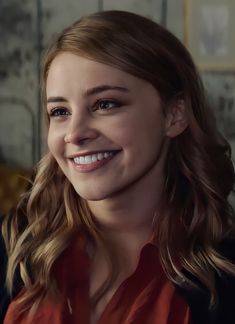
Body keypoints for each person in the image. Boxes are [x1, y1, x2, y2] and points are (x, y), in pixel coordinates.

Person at [1, 10, 235, 324]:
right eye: (59, 111)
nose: (75, 133)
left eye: (106, 104)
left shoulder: (226, 273)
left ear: (174, 115)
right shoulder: (10, 248)